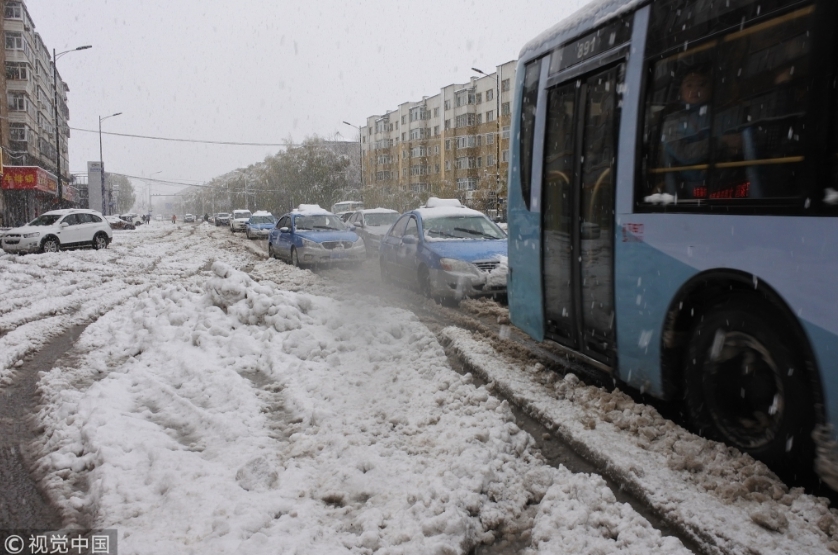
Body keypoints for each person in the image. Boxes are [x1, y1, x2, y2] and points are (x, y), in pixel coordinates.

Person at [660, 65, 713, 199]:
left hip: (724, 180)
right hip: (686, 190)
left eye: (701, 84)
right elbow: (684, 153)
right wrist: (721, 143)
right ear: (681, 91)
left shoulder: (719, 112)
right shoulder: (673, 120)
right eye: (689, 85)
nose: (695, 90)